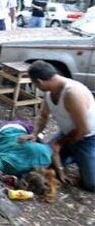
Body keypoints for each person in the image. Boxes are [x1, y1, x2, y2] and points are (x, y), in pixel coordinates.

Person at [24, 60, 95, 192]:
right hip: (68, 133)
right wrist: (35, 134)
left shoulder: (72, 93)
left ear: (40, 82)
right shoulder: (49, 91)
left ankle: (81, 155)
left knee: (91, 184)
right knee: (45, 161)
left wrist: (59, 143)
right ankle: (75, 155)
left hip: (88, 138)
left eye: (35, 84)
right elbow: (43, 116)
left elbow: (84, 129)